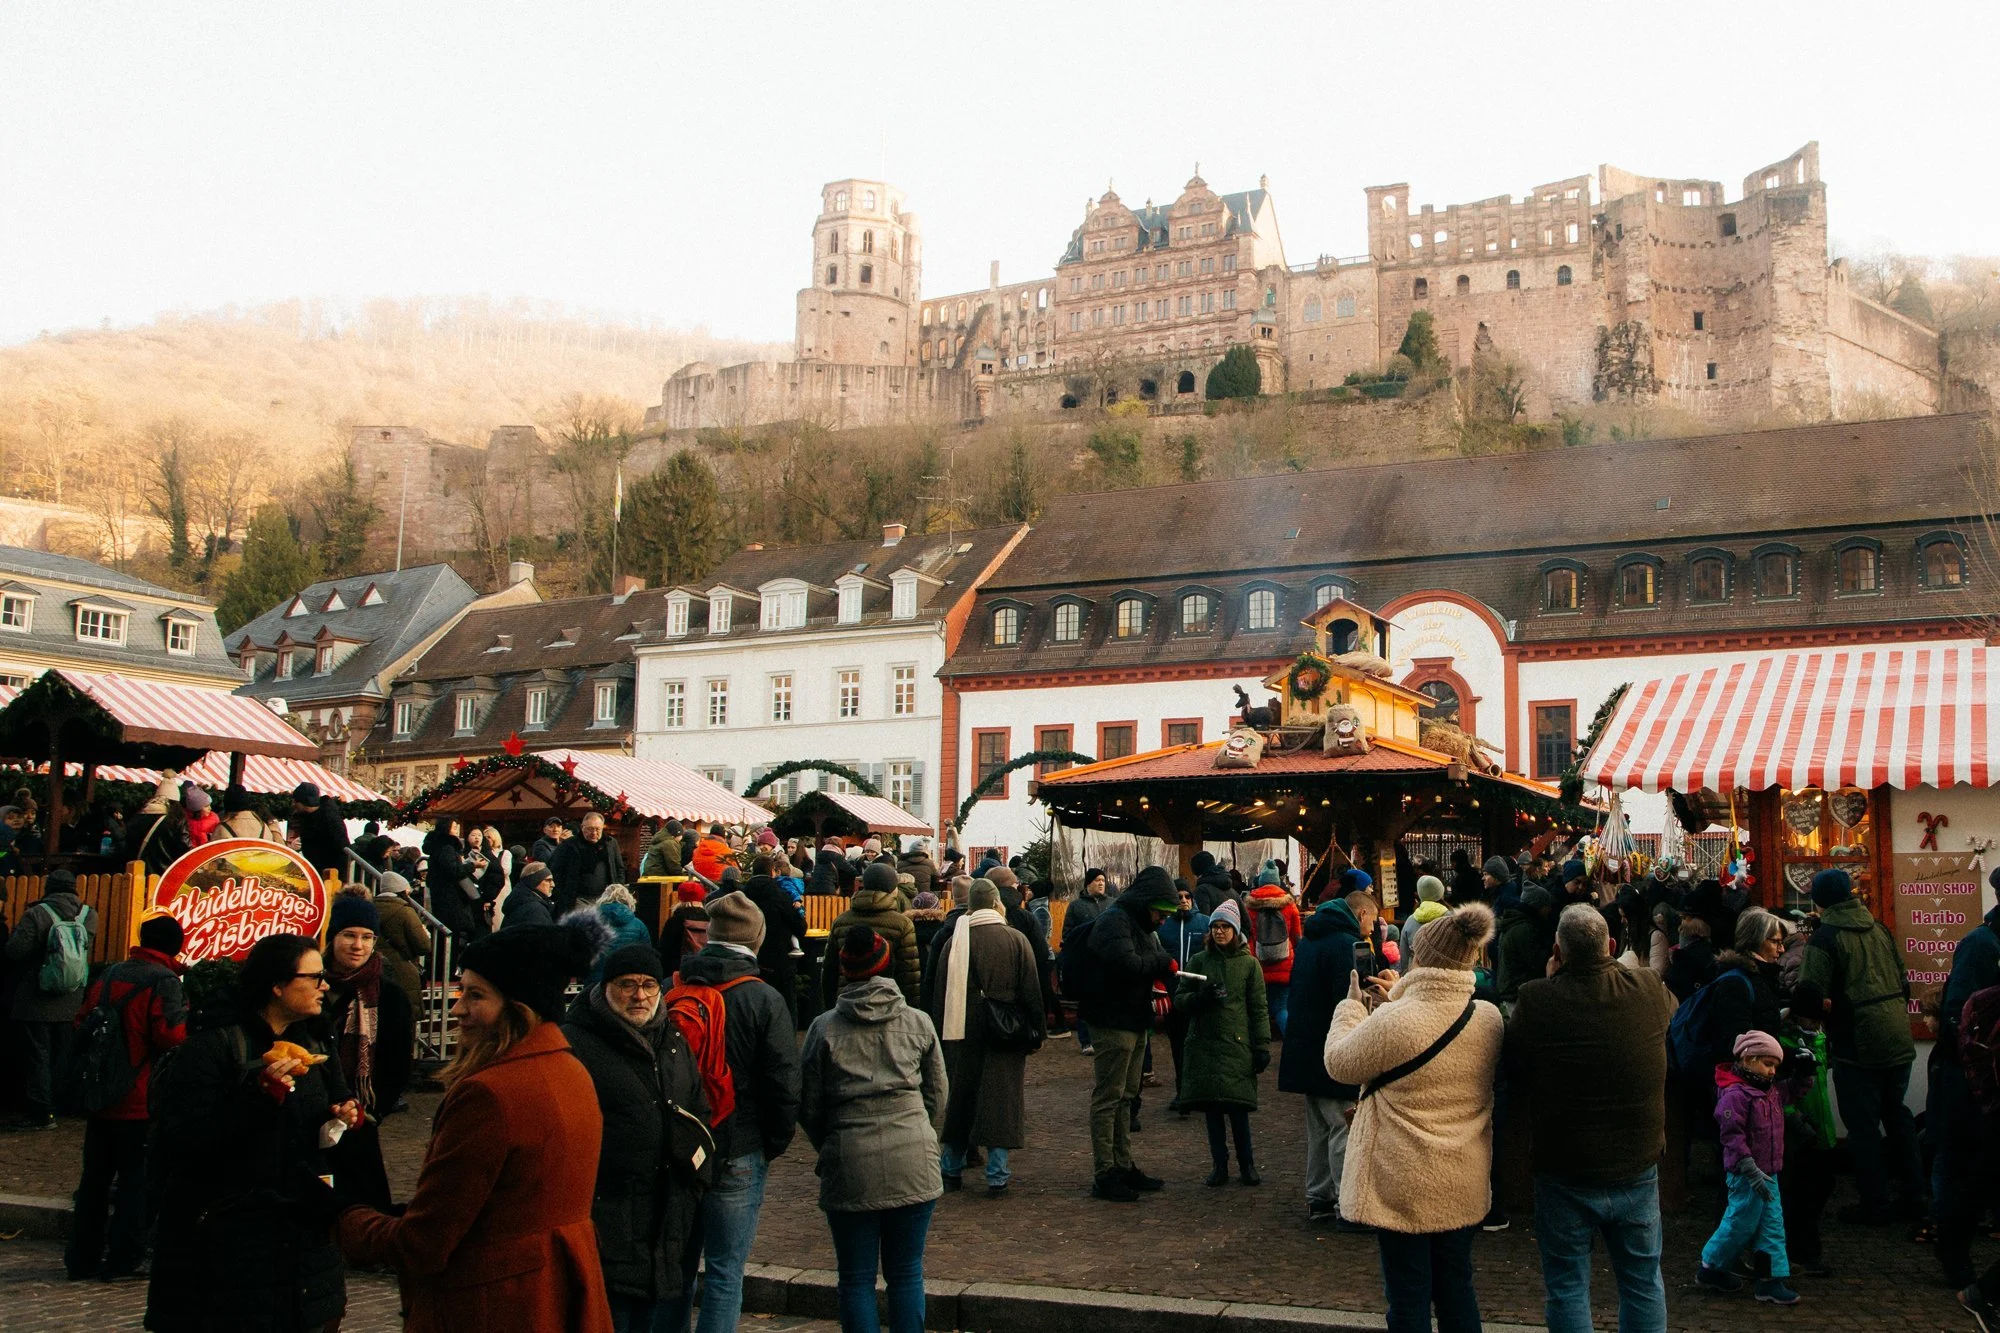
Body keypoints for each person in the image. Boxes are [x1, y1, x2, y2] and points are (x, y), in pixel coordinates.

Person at [336, 923, 613, 1332]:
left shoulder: (490, 1093)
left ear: (520, 1007)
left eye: (475, 995)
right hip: (553, 1294)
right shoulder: (569, 1069)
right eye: (461, 990)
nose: (458, 1008)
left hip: (493, 1303)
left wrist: (344, 1217)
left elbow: (425, 1243)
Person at [148, 933, 360, 1333]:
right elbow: (186, 1140)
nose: (325, 986)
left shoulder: (314, 1038)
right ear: (277, 985)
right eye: (314, 978)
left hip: (305, 1245)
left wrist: (345, 1112)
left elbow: (335, 1099)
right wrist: (262, 1097)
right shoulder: (213, 1045)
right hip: (228, 1252)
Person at [1324, 905, 1503, 1333]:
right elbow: (1439, 1007)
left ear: (1419, 958)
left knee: (1408, 1297)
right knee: (1457, 1290)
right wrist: (1403, 991)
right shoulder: (1489, 1019)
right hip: (1462, 1177)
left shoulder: (1393, 1021)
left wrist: (1350, 1009)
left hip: (1402, 1179)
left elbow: (1339, 1063)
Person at [1507, 904, 1674, 1333]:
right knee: (1642, 1281)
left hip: (1565, 1165)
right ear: (1612, 946)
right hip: (1635, 1161)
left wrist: (1552, 981)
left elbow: (1518, 1061)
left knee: (1567, 1285)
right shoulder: (1648, 988)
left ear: (1557, 950)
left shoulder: (1536, 998)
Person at [664, 892, 800, 1333]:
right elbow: (782, 1081)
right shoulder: (763, 998)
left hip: (679, 1146)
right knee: (724, 1272)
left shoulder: (673, 989)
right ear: (756, 941)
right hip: (739, 1143)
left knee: (678, 1268)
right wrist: (773, 1141)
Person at [799, 927, 947, 1333]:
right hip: (913, 1155)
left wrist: (830, 1142)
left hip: (850, 1156)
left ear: (846, 972)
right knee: (905, 1272)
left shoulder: (824, 1029)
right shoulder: (918, 1023)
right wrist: (923, 1132)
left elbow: (809, 1105)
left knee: (856, 1277)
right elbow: (937, 1092)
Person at [562, 943, 710, 1333]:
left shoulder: (673, 1040)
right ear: (607, 986)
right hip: (606, 1220)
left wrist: (697, 1178)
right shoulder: (576, 1044)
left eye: (647, 984)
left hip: (664, 1221)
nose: (639, 995)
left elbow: (698, 1108)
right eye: (627, 984)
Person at [64, 913, 186, 1281]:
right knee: (136, 1182)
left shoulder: (111, 973)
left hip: (100, 1093)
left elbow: (82, 1020)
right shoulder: (163, 980)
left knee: (94, 1181)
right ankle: (122, 1257)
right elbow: (169, 1036)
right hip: (138, 1095)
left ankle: (81, 1257)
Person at [1797, 867, 1921, 1225]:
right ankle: (1915, 1197)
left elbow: (1808, 993)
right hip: (1898, 1033)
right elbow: (1903, 980)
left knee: (1863, 1125)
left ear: (1818, 901)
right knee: (1898, 1118)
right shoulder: (1879, 927)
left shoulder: (1825, 938)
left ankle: (1875, 1204)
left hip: (1858, 1040)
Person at [924, 879, 1038, 1196]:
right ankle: (997, 1174)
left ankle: (951, 1169)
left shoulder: (953, 943)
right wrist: (1037, 1032)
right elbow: (1031, 991)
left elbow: (939, 992)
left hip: (961, 1030)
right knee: (1002, 1103)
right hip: (1006, 1031)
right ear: (997, 903)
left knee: (961, 1100)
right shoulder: (1015, 940)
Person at [1078, 866, 1178, 1202]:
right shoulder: (1115, 921)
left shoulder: (1136, 923)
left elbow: (1141, 961)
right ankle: (1105, 1172)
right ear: (1147, 903)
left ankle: (1122, 1164)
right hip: (1112, 1020)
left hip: (1133, 1019)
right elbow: (1129, 965)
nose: (1162, 920)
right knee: (1110, 1096)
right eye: (1160, 913)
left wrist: (1158, 962)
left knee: (1127, 1095)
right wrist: (1162, 962)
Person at [1280, 887, 1373, 1227]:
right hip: (1334, 1048)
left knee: (1319, 1128)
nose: (1373, 927)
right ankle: (1345, 1204)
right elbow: (1352, 999)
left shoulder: (1309, 941)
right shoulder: (1349, 946)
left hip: (1304, 1047)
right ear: (1361, 915)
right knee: (1342, 1126)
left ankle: (1318, 1197)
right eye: (1373, 919)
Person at [321, 890, 415, 1211]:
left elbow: (399, 1060)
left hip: (361, 1116)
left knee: (364, 1200)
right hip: (315, 1111)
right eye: (348, 935)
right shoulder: (312, 986)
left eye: (366, 937)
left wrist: (375, 1112)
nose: (357, 945)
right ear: (333, 936)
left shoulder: (389, 996)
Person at [1698, 1030, 1802, 1305]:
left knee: (1772, 1225)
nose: (1771, 1072)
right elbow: (1731, 1136)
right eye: (1767, 1064)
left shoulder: (1770, 1091)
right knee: (1740, 1222)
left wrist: (1805, 1073)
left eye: (1775, 1067)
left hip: (1768, 1172)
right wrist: (1748, 1166)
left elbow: (1793, 1090)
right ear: (1749, 1058)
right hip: (1746, 1175)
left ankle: (1770, 1280)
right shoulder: (1735, 1094)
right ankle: (1712, 1265)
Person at [1175, 899, 1271, 1187]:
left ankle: (1247, 1164)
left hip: (1236, 1044)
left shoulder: (1249, 965)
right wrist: (1199, 998)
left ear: (1235, 930)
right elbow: (1179, 999)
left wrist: (1262, 1045)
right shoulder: (1199, 962)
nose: (1219, 932)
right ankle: (1220, 1165)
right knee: (1213, 1112)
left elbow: (1258, 1007)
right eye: (1215, 927)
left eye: (1225, 927)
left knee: (1238, 1109)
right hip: (1205, 1044)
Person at [6, 868, 97, 1129]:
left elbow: (15, 951)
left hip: (36, 996)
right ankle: (63, 1104)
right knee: (64, 1053)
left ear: (49, 888)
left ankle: (40, 1111)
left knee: (38, 1055)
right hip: (72, 996)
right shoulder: (89, 915)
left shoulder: (37, 914)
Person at [822, 861, 921, 1008]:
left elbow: (829, 971)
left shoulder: (840, 921)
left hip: (846, 1002)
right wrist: (911, 1008)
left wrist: (830, 1007)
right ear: (893, 890)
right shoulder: (903, 924)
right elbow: (909, 975)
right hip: (889, 1003)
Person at [1156, 884, 1212, 1100]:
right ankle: (1182, 1091)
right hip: (1173, 995)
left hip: (1197, 994)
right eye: (1179, 896)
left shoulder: (1205, 923)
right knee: (1177, 1045)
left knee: (1198, 1044)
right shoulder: (1163, 926)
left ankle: (1199, 1089)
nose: (1183, 900)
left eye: (1187, 896)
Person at [741, 854, 811, 1020]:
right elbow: (799, 926)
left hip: (747, 959)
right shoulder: (780, 895)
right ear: (772, 872)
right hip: (778, 960)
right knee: (785, 1007)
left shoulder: (742, 894)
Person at [1243, 866, 1301, 1036]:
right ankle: (1290, 1041)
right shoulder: (1289, 905)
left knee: (1259, 1007)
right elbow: (1297, 936)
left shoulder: (1250, 905)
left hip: (1258, 963)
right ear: (1278, 881)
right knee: (1282, 1007)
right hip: (1285, 963)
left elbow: (1248, 934)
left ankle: (1259, 1043)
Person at [373, 870, 434, 1017]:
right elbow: (423, 946)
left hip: (375, 968)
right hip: (402, 972)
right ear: (401, 891)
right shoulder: (405, 911)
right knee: (404, 1020)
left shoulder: (369, 908)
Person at [571, 884, 656, 982]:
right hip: (626, 981)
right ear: (629, 901)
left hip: (594, 981)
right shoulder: (639, 925)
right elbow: (647, 957)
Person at [552, 812, 626, 917]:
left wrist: (618, 889)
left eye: (598, 829)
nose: (594, 833)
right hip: (577, 899)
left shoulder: (610, 843)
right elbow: (556, 872)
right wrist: (561, 895)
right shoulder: (568, 845)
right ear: (582, 827)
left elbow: (619, 868)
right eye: (590, 829)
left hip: (605, 898)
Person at [1495, 884, 1556, 1006]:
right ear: (1537, 906)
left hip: (1511, 989)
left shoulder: (1517, 923)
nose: (1549, 910)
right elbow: (1538, 961)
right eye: (1546, 906)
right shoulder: (1525, 930)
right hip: (1516, 994)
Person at [425, 818, 484, 943]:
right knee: (456, 930)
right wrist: (473, 866)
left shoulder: (439, 847)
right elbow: (453, 870)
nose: (457, 831)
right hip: (450, 895)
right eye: (454, 828)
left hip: (443, 894)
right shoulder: (447, 847)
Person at [289, 781, 349, 878]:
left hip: (330, 873)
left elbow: (342, 846)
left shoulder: (330, 818)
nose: (293, 804)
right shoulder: (305, 817)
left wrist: (339, 876)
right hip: (314, 870)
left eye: (296, 801)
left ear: (304, 802)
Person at [1398, 875, 1449, 972]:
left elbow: (1404, 955)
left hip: (1417, 976)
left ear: (1420, 894)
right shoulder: (1451, 918)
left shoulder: (1410, 920)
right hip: (1447, 976)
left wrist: (1405, 975)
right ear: (1441, 893)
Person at [501, 862, 556, 930]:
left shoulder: (519, 899)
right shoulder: (535, 910)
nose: (553, 885)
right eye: (548, 880)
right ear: (534, 881)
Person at [1189, 851, 1234, 916]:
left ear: (1197, 874)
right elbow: (1246, 923)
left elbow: (1202, 921)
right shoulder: (1233, 892)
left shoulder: (1202, 891)